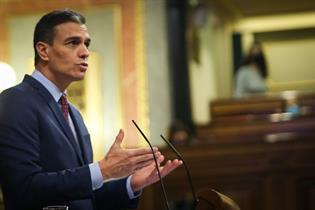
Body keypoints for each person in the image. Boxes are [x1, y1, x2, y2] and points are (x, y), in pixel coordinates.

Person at [0, 9, 182, 210]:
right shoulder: (14, 101)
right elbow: (23, 188)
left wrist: (131, 184)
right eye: (73, 43)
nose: (85, 52)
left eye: (86, 43)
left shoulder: (74, 114)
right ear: (44, 51)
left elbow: (84, 198)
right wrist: (102, 171)